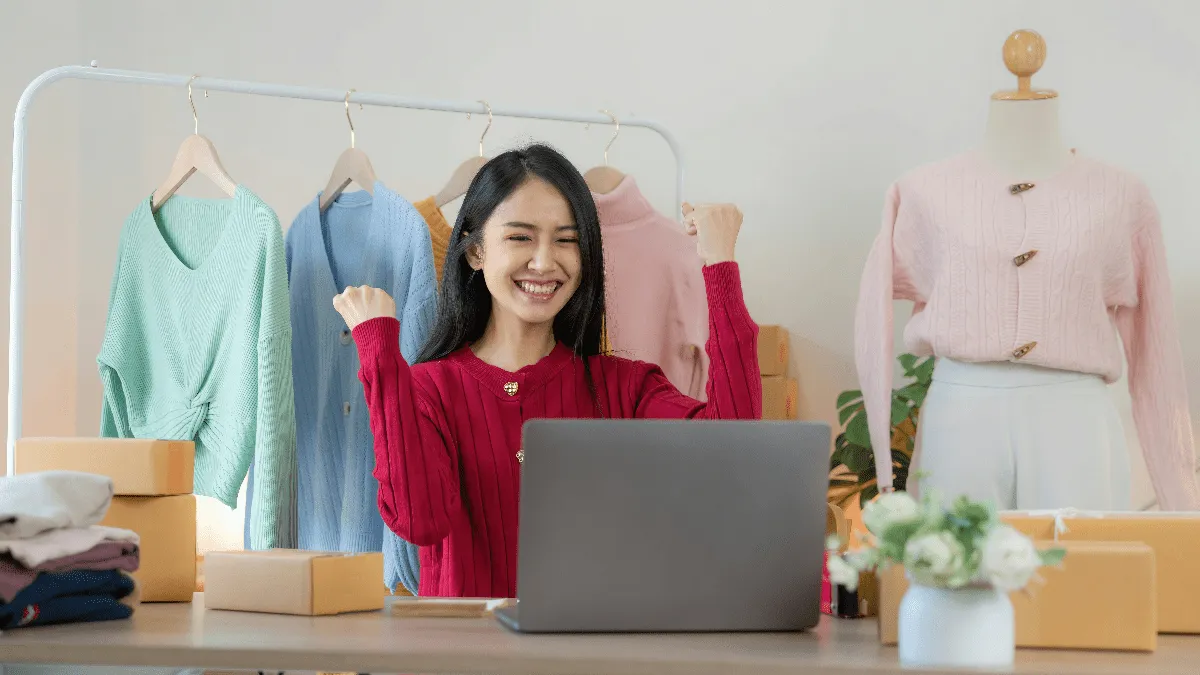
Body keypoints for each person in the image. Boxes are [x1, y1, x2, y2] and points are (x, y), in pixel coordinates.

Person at [332, 143, 762, 598]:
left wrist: (720, 268)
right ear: (475, 251)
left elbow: (732, 458)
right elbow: (420, 521)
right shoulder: (429, 389)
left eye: (566, 239)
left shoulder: (625, 389)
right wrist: (380, 354)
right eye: (520, 237)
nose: (544, 261)